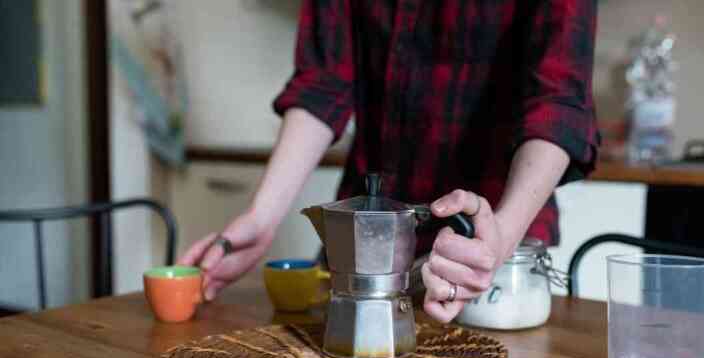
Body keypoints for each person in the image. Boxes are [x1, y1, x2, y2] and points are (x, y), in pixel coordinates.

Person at [179, 0, 600, 323]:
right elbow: (324, 81)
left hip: (484, 257)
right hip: (363, 249)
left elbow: (559, 99)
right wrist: (262, 216)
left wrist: (501, 235)